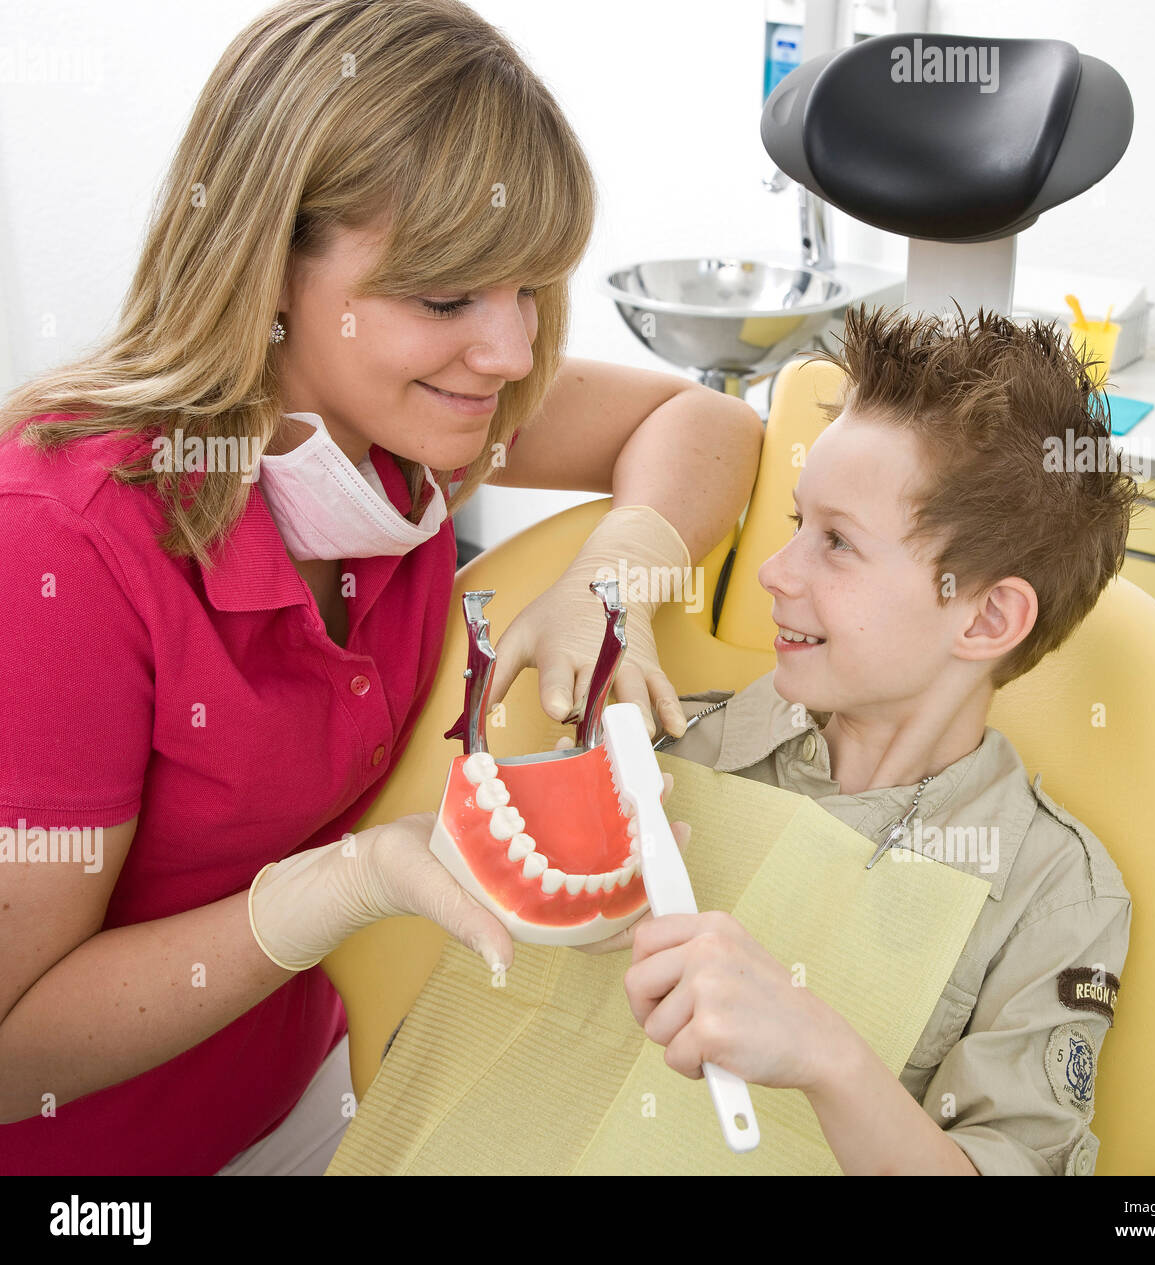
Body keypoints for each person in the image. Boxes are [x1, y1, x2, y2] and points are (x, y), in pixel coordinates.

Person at [0, 0, 761, 1176]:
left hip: (304, 1100)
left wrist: (616, 574)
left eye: (530, 288)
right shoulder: (63, 545)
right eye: (446, 298)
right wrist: (332, 889)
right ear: (269, 268)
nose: (510, 353)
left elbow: (702, 422)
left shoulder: (411, 427)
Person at [634, 304, 1140, 1175]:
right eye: (796, 522)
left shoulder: (1052, 896)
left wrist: (826, 1054)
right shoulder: (679, 747)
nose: (775, 571)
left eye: (837, 542)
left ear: (986, 617)